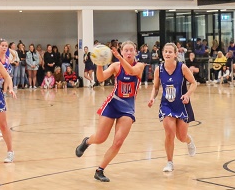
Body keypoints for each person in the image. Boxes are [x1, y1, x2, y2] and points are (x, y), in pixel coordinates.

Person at [75, 42, 146, 182]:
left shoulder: (140, 65)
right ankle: (87, 141)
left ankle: (99, 170)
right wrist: (99, 63)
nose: (129, 52)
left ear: (135, 52)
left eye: (131, 50)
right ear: (122, 51)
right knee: (101, 138)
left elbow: (132, 72)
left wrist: (119, 57)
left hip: (128, 108)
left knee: (118, 141)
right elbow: (100, 78)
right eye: (126, 50)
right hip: (113, 104)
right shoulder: (116, 66)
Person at [148, 43, 198, 172]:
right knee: (169, 133)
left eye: (170, 52)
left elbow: (193, 83)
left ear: (176, 54)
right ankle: (169, 162)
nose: (168, 54)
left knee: (181, 136)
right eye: (166, 51)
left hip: (181, 104)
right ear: (162, 53)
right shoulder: (159, 69)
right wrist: (152, 97)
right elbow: (156, 87)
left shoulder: (182, 68)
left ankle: (188, 140)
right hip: (166, 105)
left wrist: (187, 94)